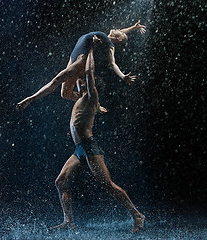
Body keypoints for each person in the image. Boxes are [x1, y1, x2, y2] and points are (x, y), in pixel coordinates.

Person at [49, 47, 145, 232]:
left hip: (89, 147)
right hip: (79, 149)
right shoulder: (80, 98)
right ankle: (68, 222)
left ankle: (137, 215)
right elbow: (65, 89)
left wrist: (90, 49)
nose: (79, 83)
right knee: (61, 182)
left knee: (107, 185)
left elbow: (88, 73)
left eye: (81, 82)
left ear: (87, 84)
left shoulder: (92, 97)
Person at [16, 20, 146, 110]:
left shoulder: (109, 45)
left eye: (120, 32)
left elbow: (113, 64)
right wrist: (133, 28)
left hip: (80, 59)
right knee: (65, 94)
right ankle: (92, 102)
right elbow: (120, 33)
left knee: (56, 80)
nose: (118, 29)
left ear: (118, 39)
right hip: (73, 57)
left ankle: (30, 99)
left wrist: (123, 76)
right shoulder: (107, 37)